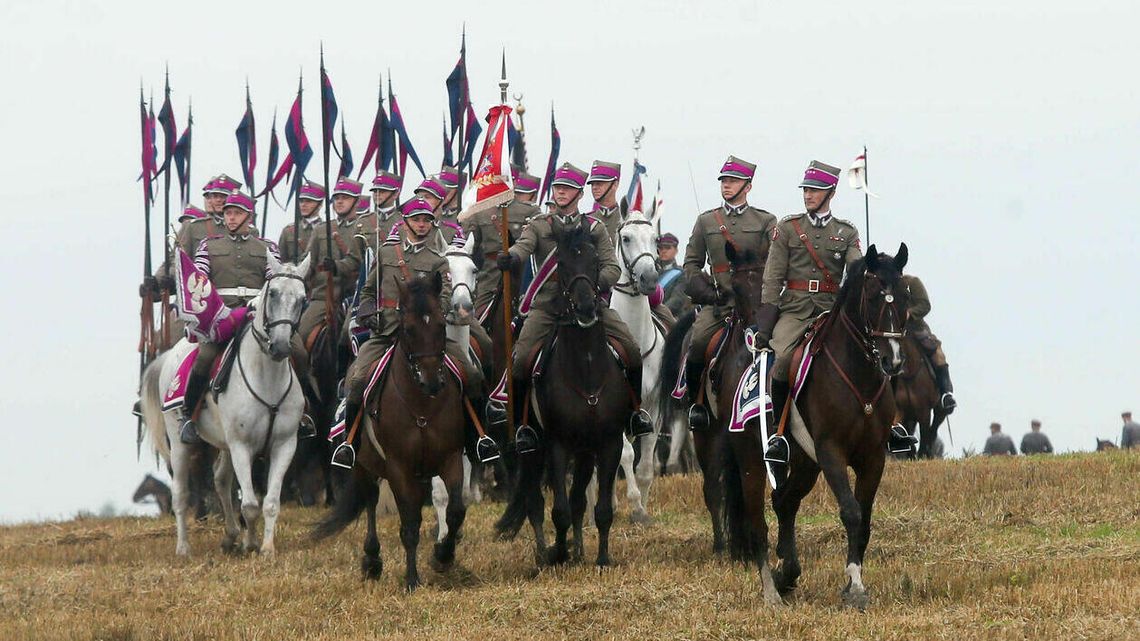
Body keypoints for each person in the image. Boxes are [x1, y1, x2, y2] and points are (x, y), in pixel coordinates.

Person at [756, 161, 914, 462]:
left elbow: (856, 269)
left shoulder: (846, 231)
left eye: (814, 190)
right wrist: (767, 317)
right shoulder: (788, 228)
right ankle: (778, 435)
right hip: (795, 310)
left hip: (831, 310)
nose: (808, 195)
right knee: (784, 361)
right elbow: (773, 277)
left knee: (877, 354)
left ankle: (890, 425)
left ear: (831, 192)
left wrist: (876, 266)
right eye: (806, 190)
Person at [496, 162, 653, 453]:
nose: (561, 192)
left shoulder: (594, 228)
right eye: (558, 187)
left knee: (631, 350)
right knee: (521, 360)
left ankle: (635, 412)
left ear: (580, 194)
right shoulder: (539, 225)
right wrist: (512, 257)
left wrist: (590, 286)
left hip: (587, 303)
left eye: (567, 188)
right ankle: (522, 425)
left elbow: (612, 268)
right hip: (548, 306)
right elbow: (523, 247)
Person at [331, 198, 489, 468]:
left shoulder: (438, 261)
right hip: (387, 331)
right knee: (357, 380)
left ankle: (479, 439)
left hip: (425, 338)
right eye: (416, 219)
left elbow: (445, 296)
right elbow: (368, 290)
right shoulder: (386, 254)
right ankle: (350, 443)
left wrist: (430, 319)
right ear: (405, 223)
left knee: (473, 375)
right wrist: (367, 310)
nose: (422, 224)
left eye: (426, 220)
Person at [681, 156, 776, 430]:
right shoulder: (706, 221)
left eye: (733, 181)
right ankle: (696, 404)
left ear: (748, 186)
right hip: (720, 304)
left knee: (782, 345)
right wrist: (705, 291)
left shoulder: (765, 221)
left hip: (756, 306)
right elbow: (691, 264)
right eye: (724, 180)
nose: (726, 185)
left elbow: (777, 262)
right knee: (698, 343)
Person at [179, 192, 280, 444]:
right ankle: (188, 414)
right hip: (221, 316)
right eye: (228, 213)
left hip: (258, 314)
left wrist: (260, 304)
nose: (231, 217)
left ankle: (302, 412)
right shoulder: (208, 246)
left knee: (295, 350)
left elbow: (275, 280)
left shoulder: (268, 247)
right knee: (205, 356)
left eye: (236, 213)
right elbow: (199, 280)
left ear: (249, 216)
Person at [902, 274, 956, 411]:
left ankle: (946, 394)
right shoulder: (879, 286)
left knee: (939, 355)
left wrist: (909, 313)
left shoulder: (912, 282)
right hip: (891, 332)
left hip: (916, 330)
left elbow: (925, 305)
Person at [278, 181, 325, 264]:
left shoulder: (328, 230)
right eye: (301, 201)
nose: (303, 205)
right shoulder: (288, 231)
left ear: (320, 204)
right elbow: (282, 260)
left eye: (309, 201)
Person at [656, 232, 690, 316]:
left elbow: (677, 299)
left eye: (668, 248)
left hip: (669, 315)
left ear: (676, 250)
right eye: (660, 248)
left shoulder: (681, 274)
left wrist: (657, 313)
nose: (663, 251)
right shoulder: (650, 270)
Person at [587, 160, 623, 239]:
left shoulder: (627, 220)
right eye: (592, 184)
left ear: (615, 184)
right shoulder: (585, 221)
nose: (594, 187)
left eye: (599, 183)